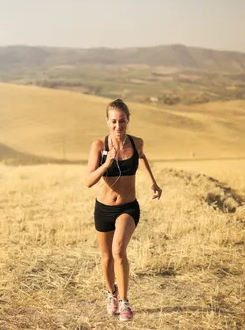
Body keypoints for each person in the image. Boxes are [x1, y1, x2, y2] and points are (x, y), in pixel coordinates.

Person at [85, 98, 162, 321]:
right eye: (114, 122)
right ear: (107, 122)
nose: (118, 126)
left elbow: (143, 158)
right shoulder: (99, 146)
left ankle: (125, 301)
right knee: (106, 258)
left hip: (128, 207)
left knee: (119, 250)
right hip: (103, 209)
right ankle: (111, 294)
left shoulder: (137, 143)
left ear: (129, 120)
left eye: (122, 121)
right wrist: (106, 164)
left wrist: (152, 182)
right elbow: (88, 181)